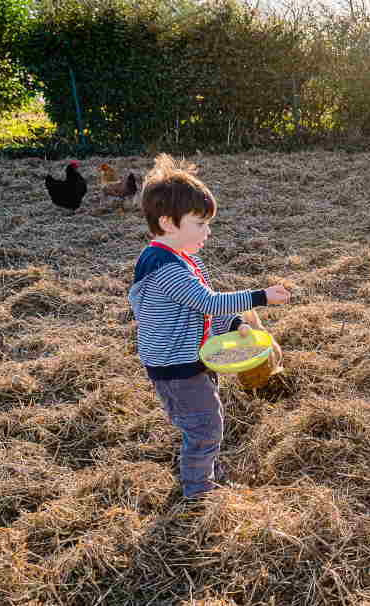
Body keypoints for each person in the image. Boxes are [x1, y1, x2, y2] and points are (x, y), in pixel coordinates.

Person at [128, 154, 291, 500]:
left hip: (194, 357)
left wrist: (233, 324)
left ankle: (201, 473)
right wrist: (260, 296)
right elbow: (208, 303)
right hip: (174, 366)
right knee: (205, 426)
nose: (208, 231)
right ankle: (199, 492)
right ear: (169, 223)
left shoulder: (186, 259)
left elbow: (209, 306)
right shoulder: (162, 267)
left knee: (205, 418)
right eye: (199, 224)